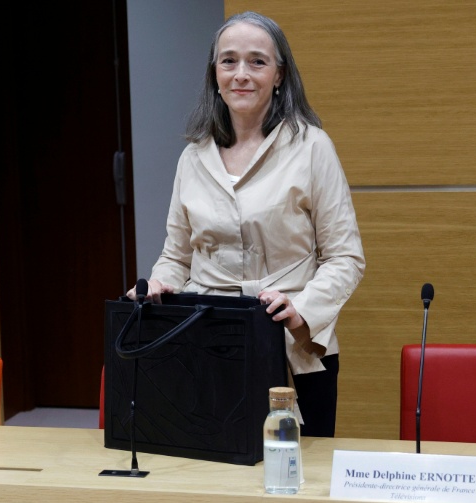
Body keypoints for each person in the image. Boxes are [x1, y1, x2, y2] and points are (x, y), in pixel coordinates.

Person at [127, 11, 364, 437]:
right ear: (214, 74)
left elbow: (345, 257)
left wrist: (302, 312)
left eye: (257, 61)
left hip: (295, 346)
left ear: (279, 75)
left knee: (296, 483)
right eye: (228, 61)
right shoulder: (193, 157)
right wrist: (160, 284)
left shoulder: (312, 147)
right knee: (214, 474)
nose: (241, 74)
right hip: (208, 340)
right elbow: (176, 256)